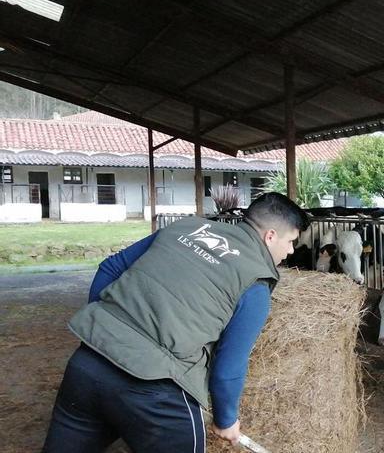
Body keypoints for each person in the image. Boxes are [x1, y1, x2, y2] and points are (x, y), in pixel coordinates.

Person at [43, 192, 309, 452]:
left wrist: (103, 328)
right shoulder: (255, 285)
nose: (291, 250)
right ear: (270, 236)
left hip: (86, 366)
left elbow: (111, 267)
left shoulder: (186, 227)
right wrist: (226, 420)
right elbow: (228, 367)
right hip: (155, 390)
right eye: (290, 241)